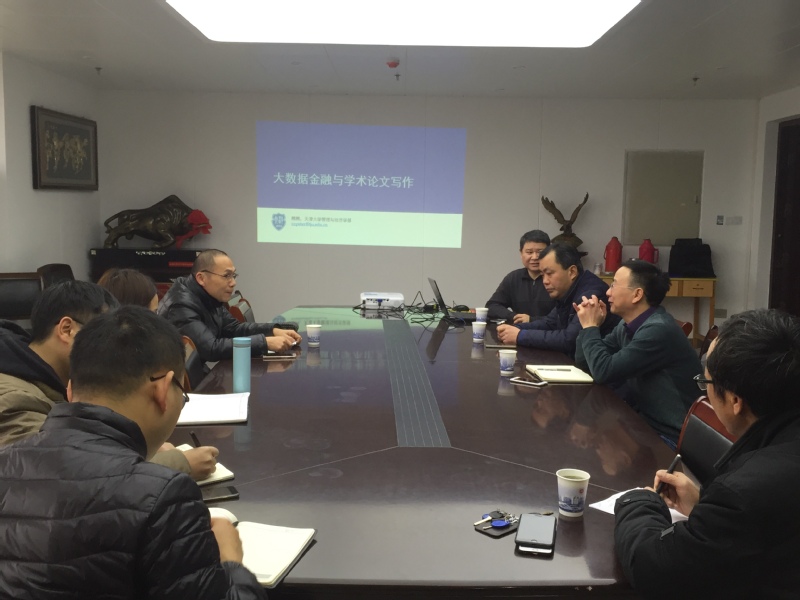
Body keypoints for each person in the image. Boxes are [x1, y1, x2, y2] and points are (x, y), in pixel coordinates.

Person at [0, 306, 267, 599]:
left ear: (70, 390)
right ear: (162, 390)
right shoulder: (163, 495)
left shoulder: (6, 461)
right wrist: (231, 562)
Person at [614, 309, 800, 598]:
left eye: (707, 382)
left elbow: (655, 571)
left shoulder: (743, 493)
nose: (705, 391)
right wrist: (705, 506)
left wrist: (639, 502)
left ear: (735, 400)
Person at [0, 280, 217, 481]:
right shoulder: (13, 399)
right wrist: (179, 463)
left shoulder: (46, 377)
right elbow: (59, 475)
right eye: (99, 333)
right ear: (67, 329)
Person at [573, 259, 700, 445]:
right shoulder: (626, 325)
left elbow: (603, 371)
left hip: (670, 436)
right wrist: (588, 327)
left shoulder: (657, 330)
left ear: (637, 294)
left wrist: (591, 327)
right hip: (642, 423)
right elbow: (585, 362)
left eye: (614, 285)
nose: (607, 292)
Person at [159, 249, 301, 361]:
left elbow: (234, 328)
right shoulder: (181, 305)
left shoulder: (208, 296)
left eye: (233, 275)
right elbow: (211, 349)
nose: (233, 283)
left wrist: (273, 331)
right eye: (226, 276)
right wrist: (265, 343)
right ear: (201, 278)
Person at [497, 242, 619, 355]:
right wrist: (515, 329)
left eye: (549, 273)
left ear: (572, 272)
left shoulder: (590, 295)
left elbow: (569, 340)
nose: (544, 281)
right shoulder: (569, 290)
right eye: (542, 275)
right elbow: (550, 323)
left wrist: (520, 336)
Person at [486, 229, 556, 323]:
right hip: (518, 330)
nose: (535, 257)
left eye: (540, 252)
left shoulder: (556, 278)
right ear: (521, 253)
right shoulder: (513, 278)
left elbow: (563, 315)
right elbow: (492, 306)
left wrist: (531, 320)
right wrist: (514, 316)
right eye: (529, 252)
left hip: (551, 331)